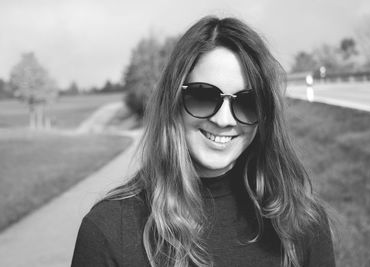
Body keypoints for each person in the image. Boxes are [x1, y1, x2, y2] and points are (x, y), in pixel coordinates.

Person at [71, 16, 336, 267]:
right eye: (203, 96)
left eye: (247, 102)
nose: (223, 120)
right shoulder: (108, 231)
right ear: (173, 101)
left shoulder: (302, 222)